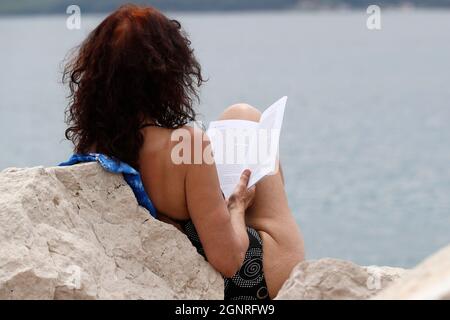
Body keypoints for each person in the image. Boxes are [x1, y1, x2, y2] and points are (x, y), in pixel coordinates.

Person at [63, 4, 304, 300]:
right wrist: (237, 207)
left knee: (238, 114)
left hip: (181, 257)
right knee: (252, 123)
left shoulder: (94, 150)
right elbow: (230, 261)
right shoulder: (187, 144)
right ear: (168, 74)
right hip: (243, 284)